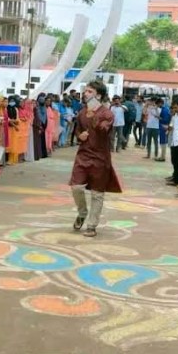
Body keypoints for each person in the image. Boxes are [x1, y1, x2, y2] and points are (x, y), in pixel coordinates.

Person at [69, 81, 123, 238]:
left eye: (89, 91)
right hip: (83, 155)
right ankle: (82, 212)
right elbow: (77, 129)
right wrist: (80, 135)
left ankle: (92, 225)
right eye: (85, 91)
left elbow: (105, 131)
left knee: (97, 194)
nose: (85, 94)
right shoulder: (82, 112)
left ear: (98, 95)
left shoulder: (107, 114)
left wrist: (94, 119)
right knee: (76, 187)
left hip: (100, 158)